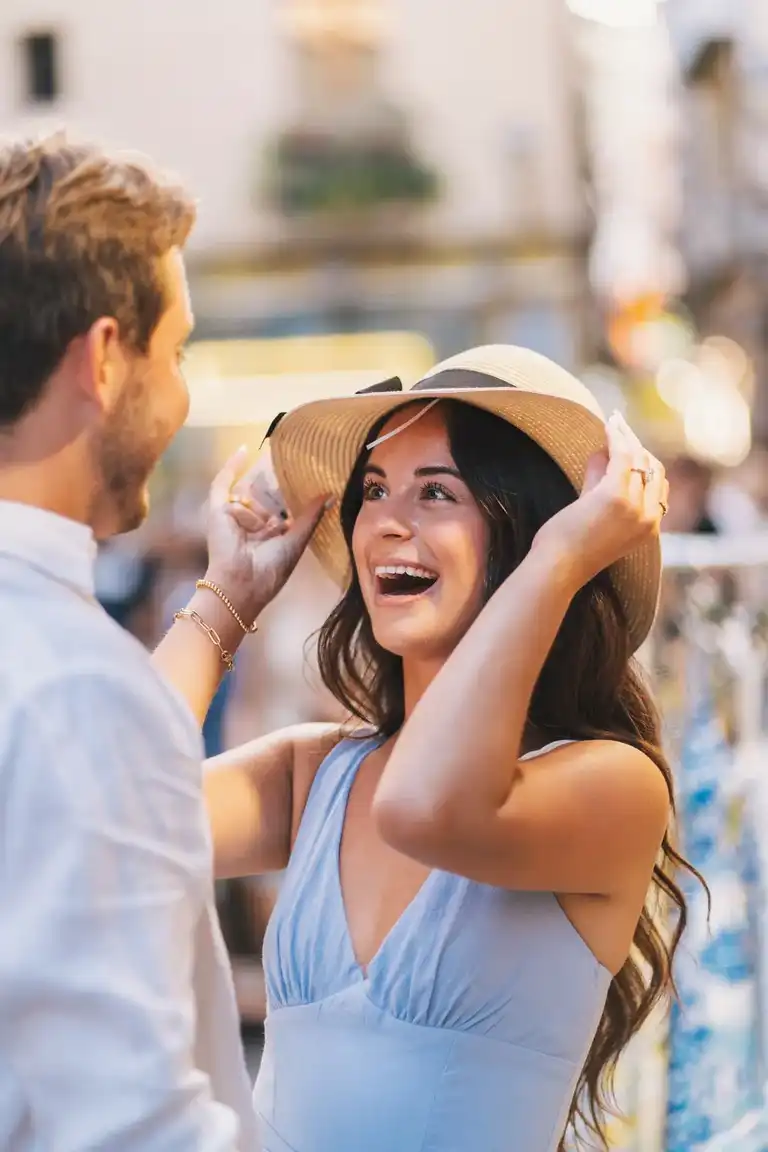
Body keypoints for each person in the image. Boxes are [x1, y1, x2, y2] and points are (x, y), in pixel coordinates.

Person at [163, 345, 705, 1152]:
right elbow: (104, 810)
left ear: (529, 529)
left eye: (437, 492)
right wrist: (228, 598)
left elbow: (426, 808)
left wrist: (560, 562)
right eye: (374, 490)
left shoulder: (614, 785)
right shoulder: (318, 773)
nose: (384, 520)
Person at [0, 133, 325, 1150]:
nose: (179, 393)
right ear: (104, 357)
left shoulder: (66, 676)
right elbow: (131, 1128)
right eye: (176, 350)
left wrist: (225, 598)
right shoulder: (71, 689)